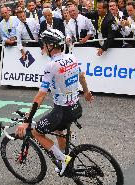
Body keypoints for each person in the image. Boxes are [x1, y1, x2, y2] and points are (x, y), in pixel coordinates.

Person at [15, 29, 94, 175]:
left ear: (51, 45)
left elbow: (40, 96)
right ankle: (65, 162)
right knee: (58, 130)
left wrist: (27, 120)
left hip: (61, 112)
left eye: (44, 44)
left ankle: (64, 160)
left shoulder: (50, 66)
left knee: (36, 132)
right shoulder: (72, 57)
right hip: (76, 107)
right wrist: (87, 92)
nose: (42, 47)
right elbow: (82, 76)